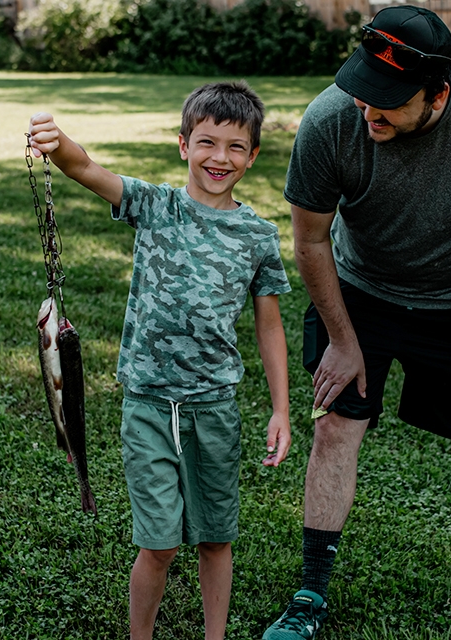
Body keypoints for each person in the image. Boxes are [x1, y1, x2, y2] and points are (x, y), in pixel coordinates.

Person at [263, 6, 451, 639]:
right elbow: (310, 242)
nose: (370, 110)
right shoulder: (330, 119)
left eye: (391, 101)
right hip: (359, 292)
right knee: (336, 429)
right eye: (366, 90)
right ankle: (311, 592)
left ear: (439, 94)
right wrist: (343, 341)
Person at [27, 81, 293, 640]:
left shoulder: (259, 236)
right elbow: (88, 170)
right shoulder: (155, 205)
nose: (220, 158)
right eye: (207, 142)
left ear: (253, 155)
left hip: (214, 407)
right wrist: (57, 142)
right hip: (147, 404)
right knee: (160, 542)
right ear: (182, 145)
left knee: (217, 537)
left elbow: (269, 325)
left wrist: (280, 409)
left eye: (236, 147)